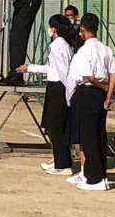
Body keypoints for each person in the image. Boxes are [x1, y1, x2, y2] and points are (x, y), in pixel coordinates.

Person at [17, 15, 75, 175]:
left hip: (59, 88)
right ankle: (58, 159)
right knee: (51, 126)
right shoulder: (62, 44)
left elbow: (63, 72)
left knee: (56, 127)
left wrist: (70, 93)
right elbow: (52, 68)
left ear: (54, 29)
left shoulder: (58, 45)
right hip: (56, 86)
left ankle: (63, 164)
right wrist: (31, 68)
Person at [65, 13, 115, 191]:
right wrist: (108, 95)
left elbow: (88, 77)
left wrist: (70, 98)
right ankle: (99, 175)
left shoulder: (84, 51)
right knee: (99, 134)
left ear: (83, 29)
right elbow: (113, 73)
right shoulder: (106, 49)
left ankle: (95, 179)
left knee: (88, 137)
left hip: (87, 93)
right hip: (100, 95)